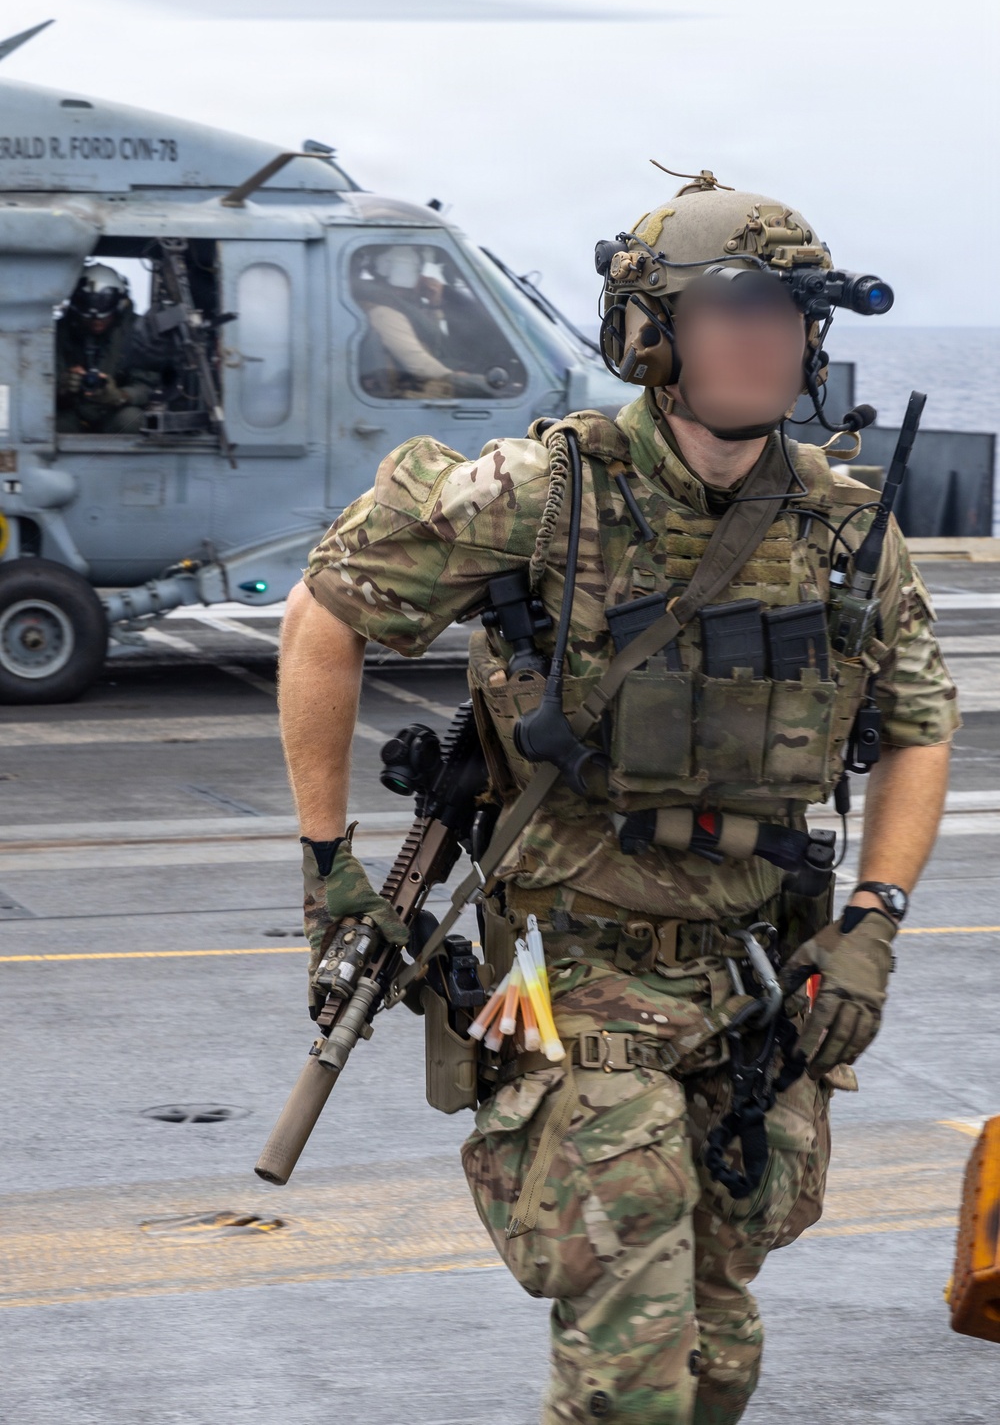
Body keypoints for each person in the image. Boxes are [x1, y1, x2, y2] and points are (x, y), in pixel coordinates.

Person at [278, 175, 958, 1424]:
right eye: (732, 309)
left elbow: (918, 723)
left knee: (715, 1354)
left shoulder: (846, 527)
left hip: (757, 979)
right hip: (565, 970)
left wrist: (872, 921)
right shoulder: (542, 495)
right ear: (649, 335)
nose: (768, 338)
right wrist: (329, 865)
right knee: (632, 1357)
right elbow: (324, 610)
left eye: (793, 312)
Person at [352, 243, 508, 398]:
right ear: (402, 272)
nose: (424, 279)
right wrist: (456, 377)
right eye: (418, 270)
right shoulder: (384, 314)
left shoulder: (398, 309)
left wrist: (435, 306)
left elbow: (435, 343)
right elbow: (419, 364)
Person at [56, 263, 161, 434]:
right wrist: (63, 386)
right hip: (72, 413)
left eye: (104, 315)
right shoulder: (59, 334)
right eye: (88, 317)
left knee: (131, 420)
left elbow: (148, 385)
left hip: (114, 413)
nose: (97, 322)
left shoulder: (138, 332)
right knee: (48, 425)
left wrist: (120, 395)